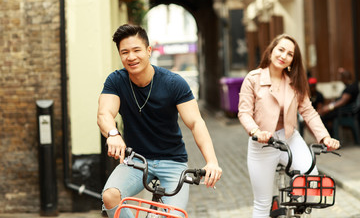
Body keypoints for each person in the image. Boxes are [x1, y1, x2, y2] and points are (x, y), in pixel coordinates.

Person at [97, 24, 222, 218]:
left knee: (174, 215)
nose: (131, 57)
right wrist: (113, 133)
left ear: (148, 51)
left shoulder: (173, 83)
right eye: (125, 52)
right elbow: (104, 114)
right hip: (136, 160)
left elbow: (196, 122)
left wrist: (211, 161)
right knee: (110, 196)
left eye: (137, 50)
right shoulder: (116, 81)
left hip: (172, 161)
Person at [238, 34, 340, 217]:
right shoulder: (253, 79)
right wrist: (255, 131)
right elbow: (244, 112)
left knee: (311, 180)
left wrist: (325, 138)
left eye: (290, 54)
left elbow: (308, 112)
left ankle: (295, 211)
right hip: (262, 143)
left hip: (289, 138)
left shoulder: (295, 82)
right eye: (281, 50)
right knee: (262, 203)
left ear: (293, 60)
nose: (284, 56)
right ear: (271, 51)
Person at [319, 68, 359, 135]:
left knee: (322, 116)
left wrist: (329, 107)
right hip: (344, 110)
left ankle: (329, 136)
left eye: (342, 79)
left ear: (345, 78)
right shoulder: (352, 86)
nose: (341, 81)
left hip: (345, 111)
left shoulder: (350, 88)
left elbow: (342, 102)